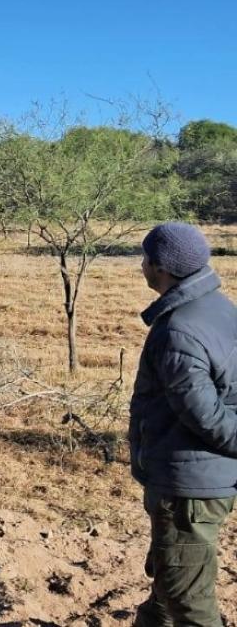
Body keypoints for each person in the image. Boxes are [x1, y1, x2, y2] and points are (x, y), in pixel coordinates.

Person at [130, 222, 237, 627]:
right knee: (169, 586)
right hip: (199, 478)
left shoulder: (178, 330)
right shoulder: (220, 307)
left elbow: (205, 415)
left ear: (162, 268)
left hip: (188, 486)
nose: (142, 267)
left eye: (145, 259)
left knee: (188, 603)